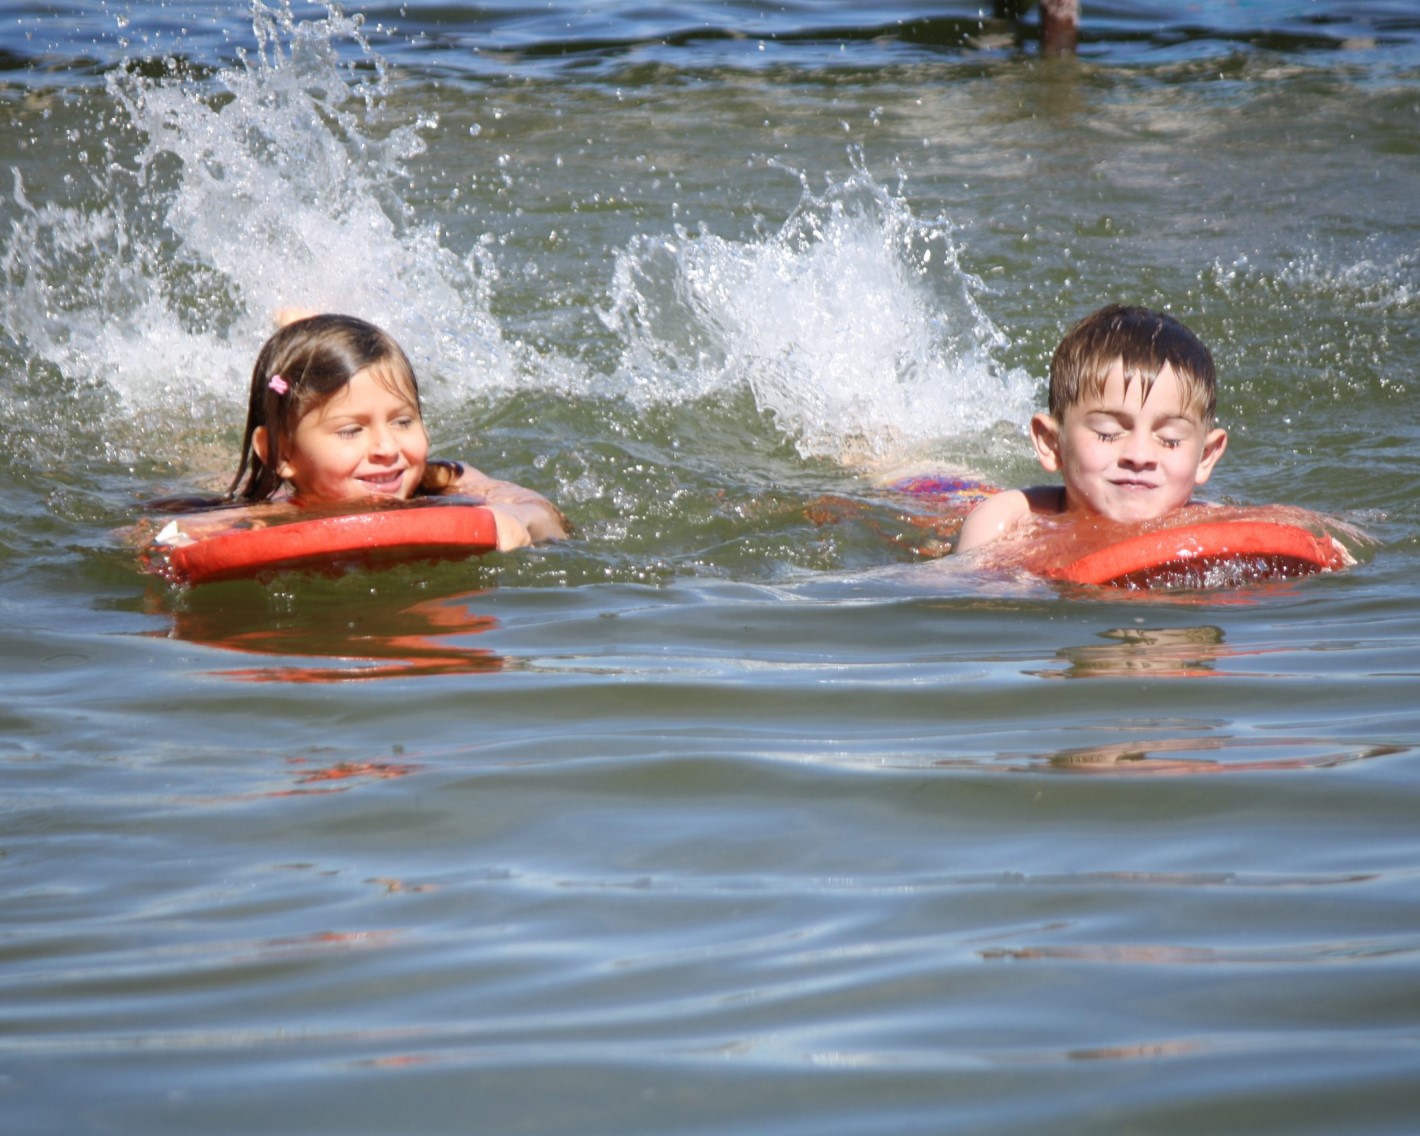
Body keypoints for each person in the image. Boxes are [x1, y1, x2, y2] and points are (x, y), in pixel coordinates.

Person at [155, 312, 567, 550]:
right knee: (210, 471)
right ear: (281, 453)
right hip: (251, 485)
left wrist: (516, 518)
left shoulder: (439, 481)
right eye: (352, 431)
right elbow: (147, 539)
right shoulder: (266, 515)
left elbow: (538, 509)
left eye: (403, 421)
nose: (387, 447)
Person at [954, 304, 1228, 555]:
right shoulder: (1006, 524)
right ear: (1052, 443)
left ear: (1205, 456)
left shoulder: (1219, 528)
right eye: (1107, 433)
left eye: (1170, 440)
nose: (1140, 455)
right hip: (949, 504)